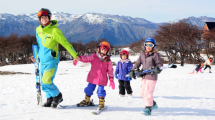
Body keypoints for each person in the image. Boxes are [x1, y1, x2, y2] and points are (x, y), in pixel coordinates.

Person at [30, 8, 79, 108]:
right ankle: (49, 99)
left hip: (52, 61)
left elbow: (65, 43)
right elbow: (39, 45)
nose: (44, 19)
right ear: (39, 19)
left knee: (46, 81)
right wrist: (36, 57)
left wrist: (75, 55)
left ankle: (57, 95)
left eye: (45, 17)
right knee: (43, 84)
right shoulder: (38, 30)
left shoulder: (55, 31)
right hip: (42, 61)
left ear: (49, 18)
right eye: (41, 17)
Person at [76, 41, 115, 110]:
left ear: (107, 52)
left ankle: (101, 103)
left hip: (102, 79)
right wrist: (79, 58)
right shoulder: (94, 56)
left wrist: (111, 79)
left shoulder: (108, 61)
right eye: (102, 49)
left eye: (105, 50)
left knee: (100, 91)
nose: (103, 51)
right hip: (93, 77)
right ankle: (87, 101)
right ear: (99, 49)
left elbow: (110, 71)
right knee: (89, 89)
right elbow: (86, 58)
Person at [129, 38, 163, 116]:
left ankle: (148, 108)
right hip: (144, 76)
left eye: (150, 45)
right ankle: (153, 104)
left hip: (152, 77)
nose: (148, 47)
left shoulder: (155, 55)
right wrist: (132, 71)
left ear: (153, 46)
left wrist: (158, 69)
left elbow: (160, 65)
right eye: (146, 45)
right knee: (142, 93)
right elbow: (137, 63)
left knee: (148, 93)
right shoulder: (142, 54)